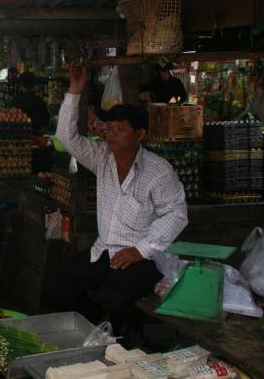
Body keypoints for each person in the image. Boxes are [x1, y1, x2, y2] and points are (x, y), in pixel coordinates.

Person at [54, 63, 188, 332]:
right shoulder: (102, 157)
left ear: (140, 135)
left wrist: (141, 249)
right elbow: (66, 138)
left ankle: (126, 347)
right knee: (62, 283)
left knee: (113, 298)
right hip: (104, 250)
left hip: (143, 258)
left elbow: (176, 213)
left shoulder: (158, 170)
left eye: (120, 130)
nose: (112, 135)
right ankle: (87, 342)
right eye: (110, 128)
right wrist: (75, 90)